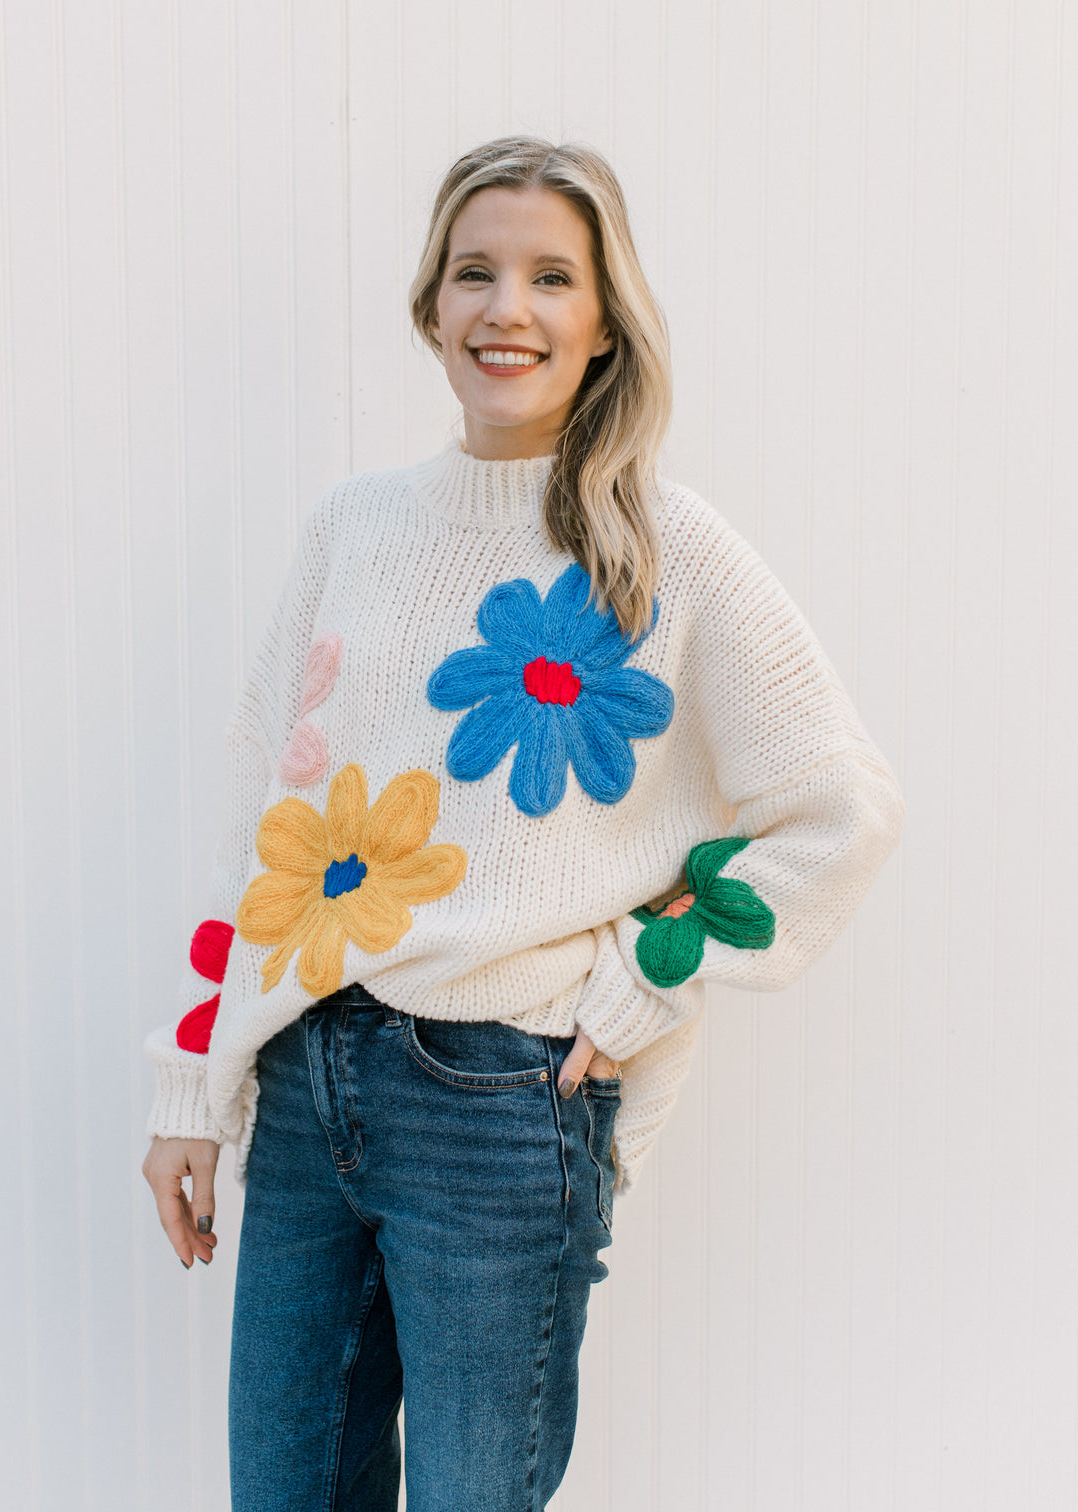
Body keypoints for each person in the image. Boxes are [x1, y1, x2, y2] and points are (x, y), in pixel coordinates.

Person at [141, 135, 903, 1511]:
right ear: (430, 303)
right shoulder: (350, 530)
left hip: (501, 1109)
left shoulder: (665, 549)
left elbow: (839, 808)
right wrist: (193, 1082)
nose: (510, 308)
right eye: (475, 271)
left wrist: (644, 979)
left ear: (606, 318)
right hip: (308, 1086)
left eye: (554, 276)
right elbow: (265, 823)